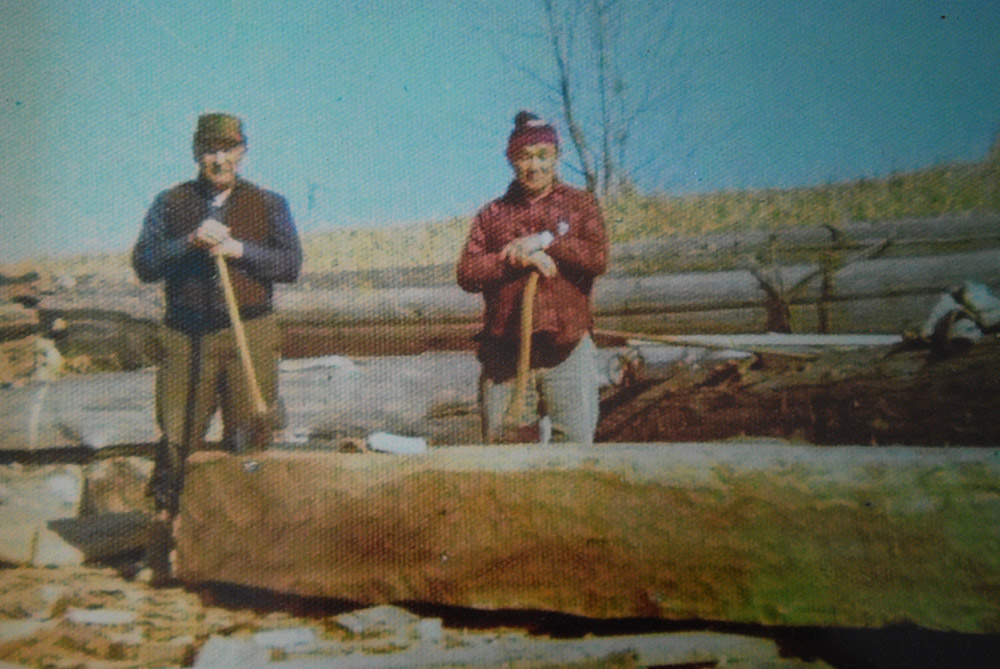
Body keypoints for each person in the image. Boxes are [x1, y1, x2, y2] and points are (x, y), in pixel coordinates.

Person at [133, 113, 302, 582]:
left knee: (251, 434)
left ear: (243, 151)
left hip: (250, 330)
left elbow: (289, 265)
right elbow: (145, 263)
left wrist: (239, 251)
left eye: (228, 149)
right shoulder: (171, 203)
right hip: (186, 334)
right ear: (196, 155)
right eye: (209, 150)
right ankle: (165, 543)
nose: (218, 158)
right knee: (177, 437)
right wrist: (190, 240)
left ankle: (254, 553)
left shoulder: (268, 203)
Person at [457, 111, 608, 445]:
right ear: (511, 159)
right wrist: (512, 258)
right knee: (505, 455)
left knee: (575, 450)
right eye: (525, 157)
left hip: (566, 349)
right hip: (506, 357)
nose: (535, 166)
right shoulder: (492, 214)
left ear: (557, 157)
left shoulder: (580, 205)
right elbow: (467, 273)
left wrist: (544, 242)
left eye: (543, 156)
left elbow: (597, 258)